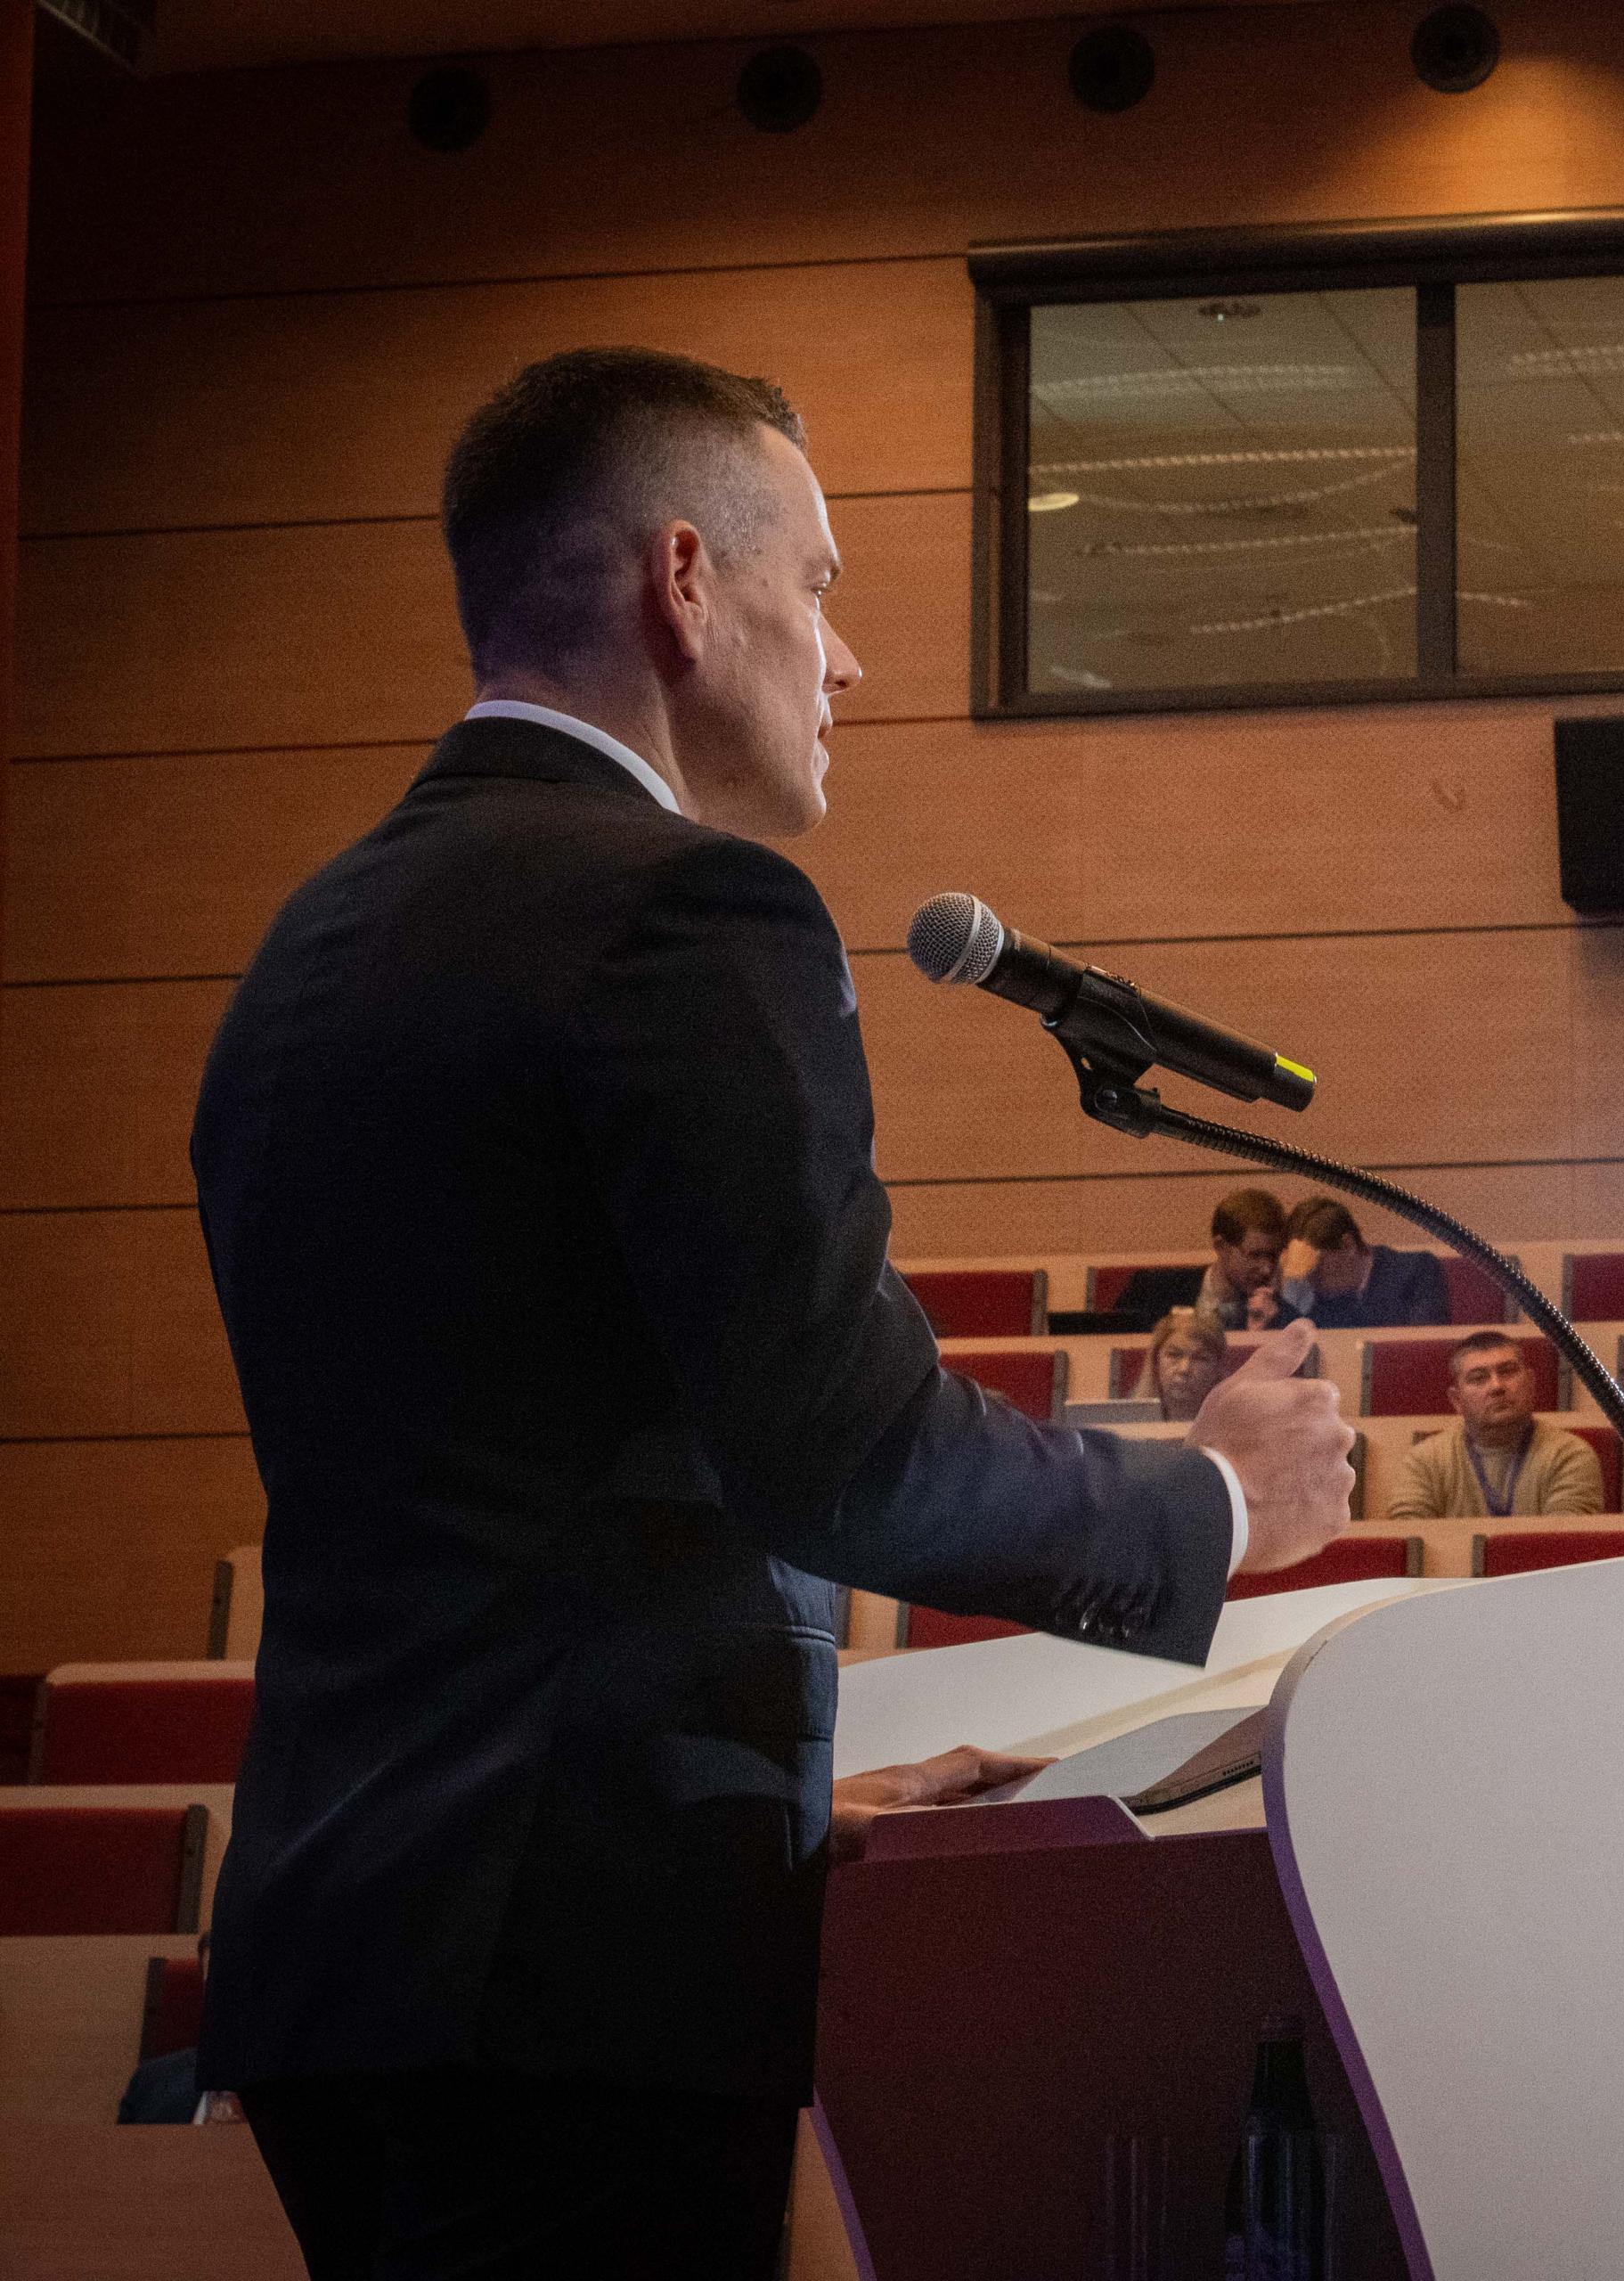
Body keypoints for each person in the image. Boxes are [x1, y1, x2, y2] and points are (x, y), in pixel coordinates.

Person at [184, 348, 1357, 2277]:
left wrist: (805, 1783)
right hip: (580, 1969)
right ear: (681, 582)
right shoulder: (682, 912)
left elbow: (508, 1487)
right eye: (815, 583)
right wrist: (1210, 1496)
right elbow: (846, 1444)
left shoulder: (311, 944)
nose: (846, 656)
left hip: (346, 1940)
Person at [1385, 1332, 1604, 1520]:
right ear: (1456, 1400)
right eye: (1479, 1378)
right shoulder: (1424, 1461)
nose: (1497, 1386)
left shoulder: (1569, 1454)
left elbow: (1563, 1545)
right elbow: (1408, 1539)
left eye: (1507, 1372)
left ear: (1530, 1383)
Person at [1272, 1197, 1451, 1330]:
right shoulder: (1304, 1292)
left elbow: (1417, 1348)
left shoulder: (1417, 1270)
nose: (1309, 1281)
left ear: (1348, 1245)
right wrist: (1291, 1290)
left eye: (1315, 1268)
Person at [1199, 1187, 1293, 1329]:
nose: (1267, 1270)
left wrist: (1268, 1334)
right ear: (1222, 1247)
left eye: (1273, 1256)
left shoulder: (1285, 1315)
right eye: (1255, 1255)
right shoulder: (1169, 1297)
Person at [1135, 1306, 1229, 1424]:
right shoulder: (1127, 1425)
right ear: (1155, 1361)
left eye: (1200, 1358)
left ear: (1217, 1367)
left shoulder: (1236, 1427)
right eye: (1174, 1355)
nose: (1184, 1369)